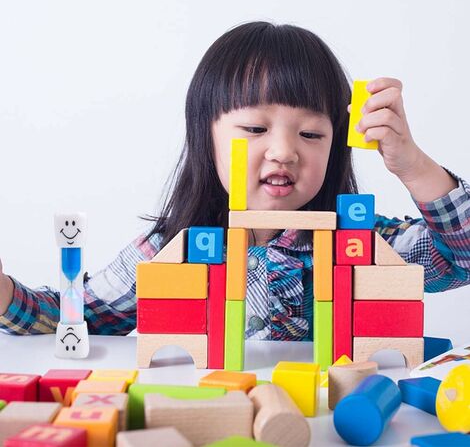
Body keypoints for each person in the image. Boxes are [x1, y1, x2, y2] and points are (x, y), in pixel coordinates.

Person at [1, 22, 469, 340]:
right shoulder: (174, 247)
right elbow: (77, 319)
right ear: (207, 137)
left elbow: (462, 259)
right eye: (254, 128)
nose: (285, 150)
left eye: (310, 133)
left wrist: (412, 164)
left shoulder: (359, 244)